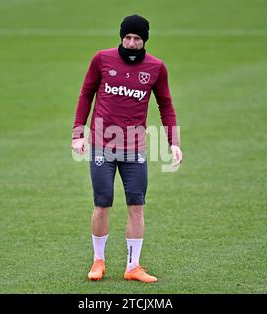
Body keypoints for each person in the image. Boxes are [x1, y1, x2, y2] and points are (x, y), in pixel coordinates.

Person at [71, 14, 183, 283]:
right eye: (128, 37)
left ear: (144, 40)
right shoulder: (102, 59)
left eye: (137, 38)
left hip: (135, 148)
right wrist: (78, 133)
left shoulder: (156, 68)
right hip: (102, 145)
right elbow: (86, 94)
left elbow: (165, 105)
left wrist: (174, 142)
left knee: (137, 205)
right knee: (102, 202)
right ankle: (98, 261)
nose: (132, 43)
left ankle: (133, 266)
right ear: (121, 37)